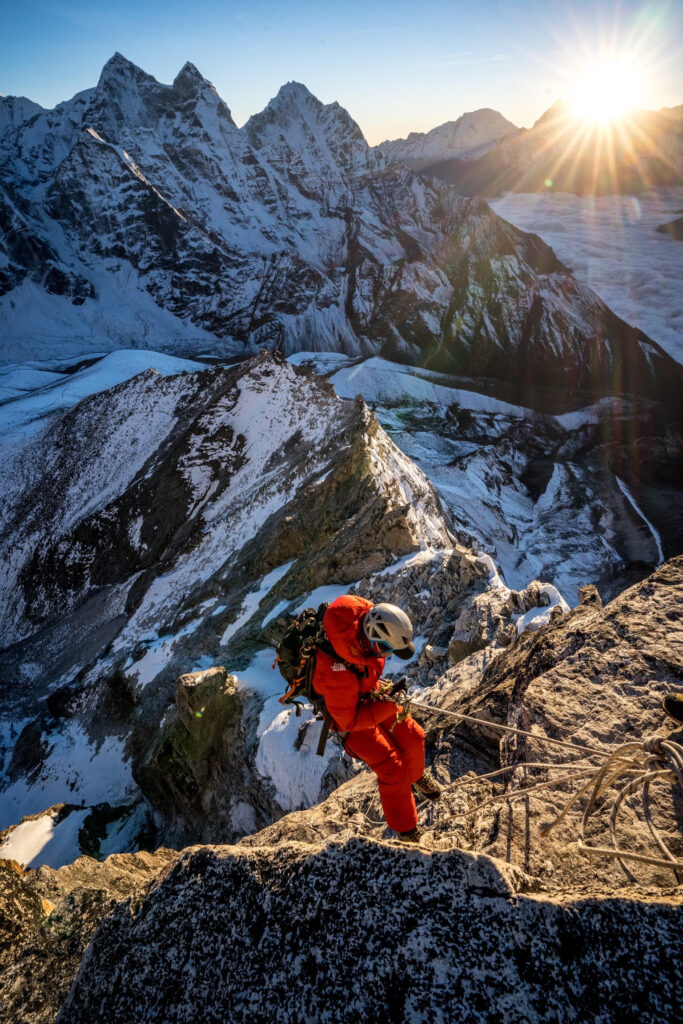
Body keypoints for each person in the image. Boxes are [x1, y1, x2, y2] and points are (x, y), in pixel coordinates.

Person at [311, 594, 441, 843]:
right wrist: (389, 705)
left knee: (414, 736)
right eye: (389, 651)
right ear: (378, 644)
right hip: (348, 718)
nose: (390, 656)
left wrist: (386, 702)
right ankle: (406, 830)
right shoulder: (336, 671)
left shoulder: (366, 615)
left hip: (367, 692)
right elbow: (349, 721)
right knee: (392, 768)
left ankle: (415, 778)